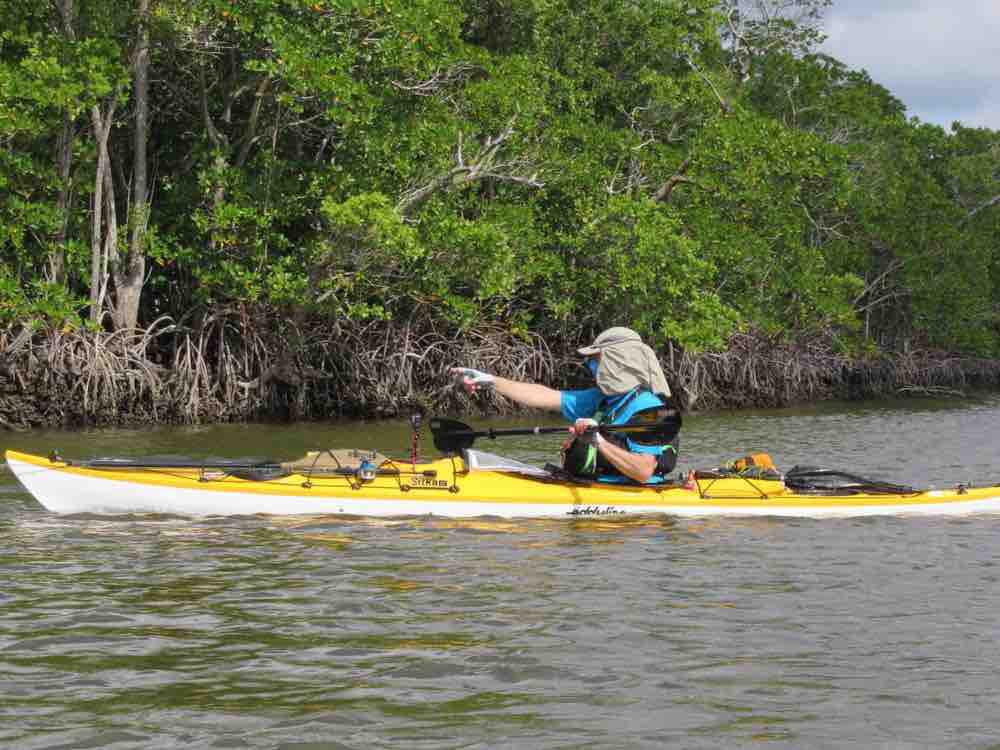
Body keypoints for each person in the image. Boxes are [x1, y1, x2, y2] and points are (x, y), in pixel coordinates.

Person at [451, 327, 680, 483]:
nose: (591, 366)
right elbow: (544, 396)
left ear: (617, 362)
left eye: (596, 360)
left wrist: (598, 441)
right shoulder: (601, 399)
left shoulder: (648, 407)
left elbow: (643, 471)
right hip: (595, 484)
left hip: (632, 503)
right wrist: (491, 381)